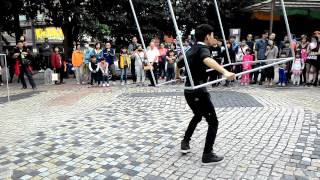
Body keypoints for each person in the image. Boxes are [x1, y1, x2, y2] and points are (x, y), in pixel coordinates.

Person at [176, 24, 235, 165]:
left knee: (197, 115)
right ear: (207, 36)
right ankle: (207, 155)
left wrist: (178, 75)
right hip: (198, 91)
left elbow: (178, 64)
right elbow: (207, 59)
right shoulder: (203, 49)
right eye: (213, 35)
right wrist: (225, 72)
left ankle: (185, 141)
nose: (213, 38)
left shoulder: (190, 49)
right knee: (213, 122)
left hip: (188, 91)